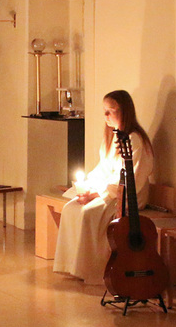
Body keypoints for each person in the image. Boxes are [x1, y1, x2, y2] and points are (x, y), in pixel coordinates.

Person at [53, 90, 154, 285]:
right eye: (104, 111)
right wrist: (86, 187)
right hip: (107, 191)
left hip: (128, 195)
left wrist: (96, 194)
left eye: (111, 111)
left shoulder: (134, 140)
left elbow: (129, 178)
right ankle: (71, 266)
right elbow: (103, 169)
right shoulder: (111, 137)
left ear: (124, 111)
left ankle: (93, 270)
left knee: (88, 213)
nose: (106, 115)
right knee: (70, 208)